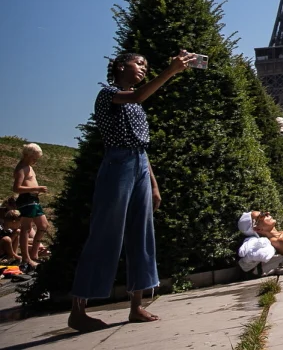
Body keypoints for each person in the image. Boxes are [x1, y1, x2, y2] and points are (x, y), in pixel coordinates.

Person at [68, 50, 197, 333]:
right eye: (138, 63)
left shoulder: (136, 104)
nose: (143, 68)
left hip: (138, 164)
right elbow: (137, 96)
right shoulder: (108, 94)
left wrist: (153, 183)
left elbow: (141, 145)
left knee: (142, 234)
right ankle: (77, 311)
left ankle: (137, 306)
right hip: (117, 165)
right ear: (119, 65)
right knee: (105, 234)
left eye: (146, 66)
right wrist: (170, 71)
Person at [12, 143, 50, 269]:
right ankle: (26, 258)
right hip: (26, 200)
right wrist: (36, 188)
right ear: (27, 155)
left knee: (43, 225)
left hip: (34, 199)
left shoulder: (29, 167)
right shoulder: (21, 168)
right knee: (26, 229)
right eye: (34, 158)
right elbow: (16, 188)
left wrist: (37, 190)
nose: (35, 161)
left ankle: (34, 254)